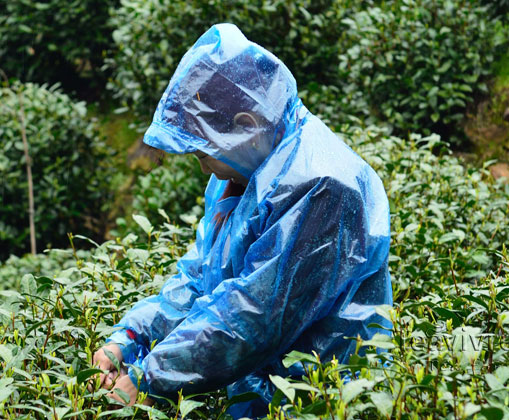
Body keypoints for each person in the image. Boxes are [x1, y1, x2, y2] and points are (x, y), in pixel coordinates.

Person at [93, 23, 392, 418]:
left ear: (246, 127)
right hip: (257, 394)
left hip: (326, 399)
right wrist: (130, 338)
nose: (205, 171)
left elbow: (253, 316)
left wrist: (149, 377)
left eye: (203, 154)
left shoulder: (320, 185)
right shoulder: (240, 172)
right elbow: (200, 279)